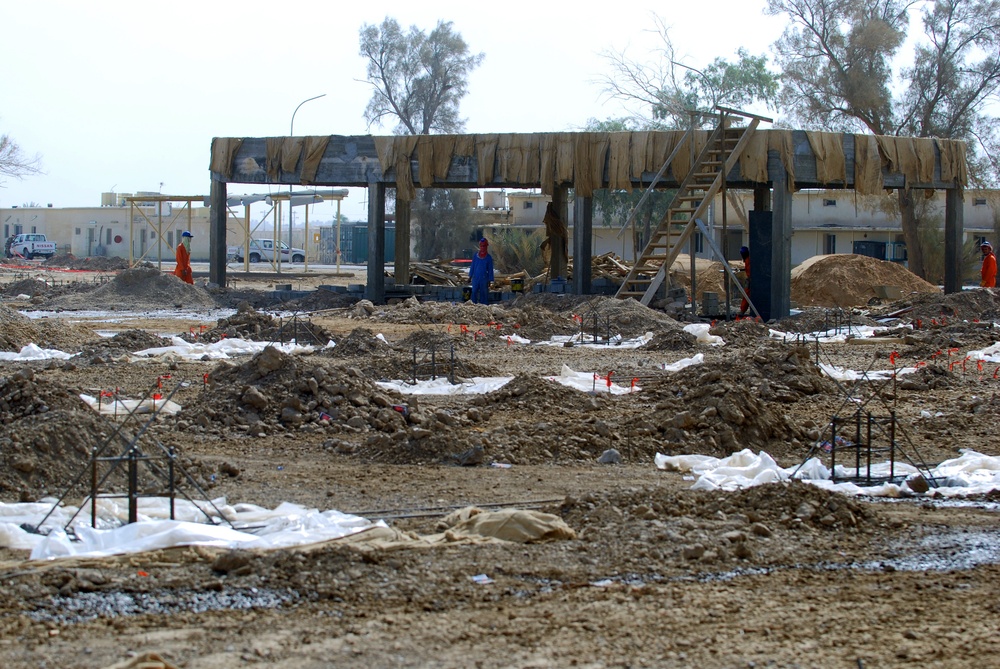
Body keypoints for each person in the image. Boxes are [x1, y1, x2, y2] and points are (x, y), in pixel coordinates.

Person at [468, 237, 494, 304]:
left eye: (484, 246)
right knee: (474, 292)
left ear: (486, 246)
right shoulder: (475, 256)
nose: (483, 247)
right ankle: (473, 306)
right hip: (475, 278)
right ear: (480, 246)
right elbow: (472, 266)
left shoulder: (488, 258)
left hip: (484, 278)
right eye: (481, 246)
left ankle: (484, 307)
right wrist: (470, 277)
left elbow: (490, 270)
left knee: (484, 293)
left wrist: (491, 281)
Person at [738, 245, 751, 316]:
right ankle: (743, 310)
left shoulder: (748, 260)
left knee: (746, 296)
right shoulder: (747, 260)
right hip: (750, 280)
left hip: (751, 281)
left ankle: (742, 311)